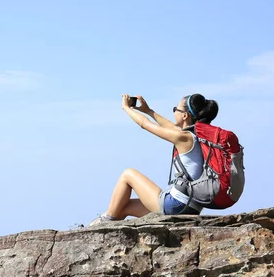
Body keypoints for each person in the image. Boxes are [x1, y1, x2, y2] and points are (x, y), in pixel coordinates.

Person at [89, 93, 219, 226]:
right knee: (124, 207)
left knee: (127, 175)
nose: (174, 112)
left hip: (177, 205)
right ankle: (105, 222)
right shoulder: (197, 136)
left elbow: (144, 124)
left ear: (185, 115)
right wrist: (149, 111)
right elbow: (170, 127)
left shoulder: (183, 137)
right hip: (191, 206)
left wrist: (126, 108)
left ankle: (104, 222)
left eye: (176, 109)